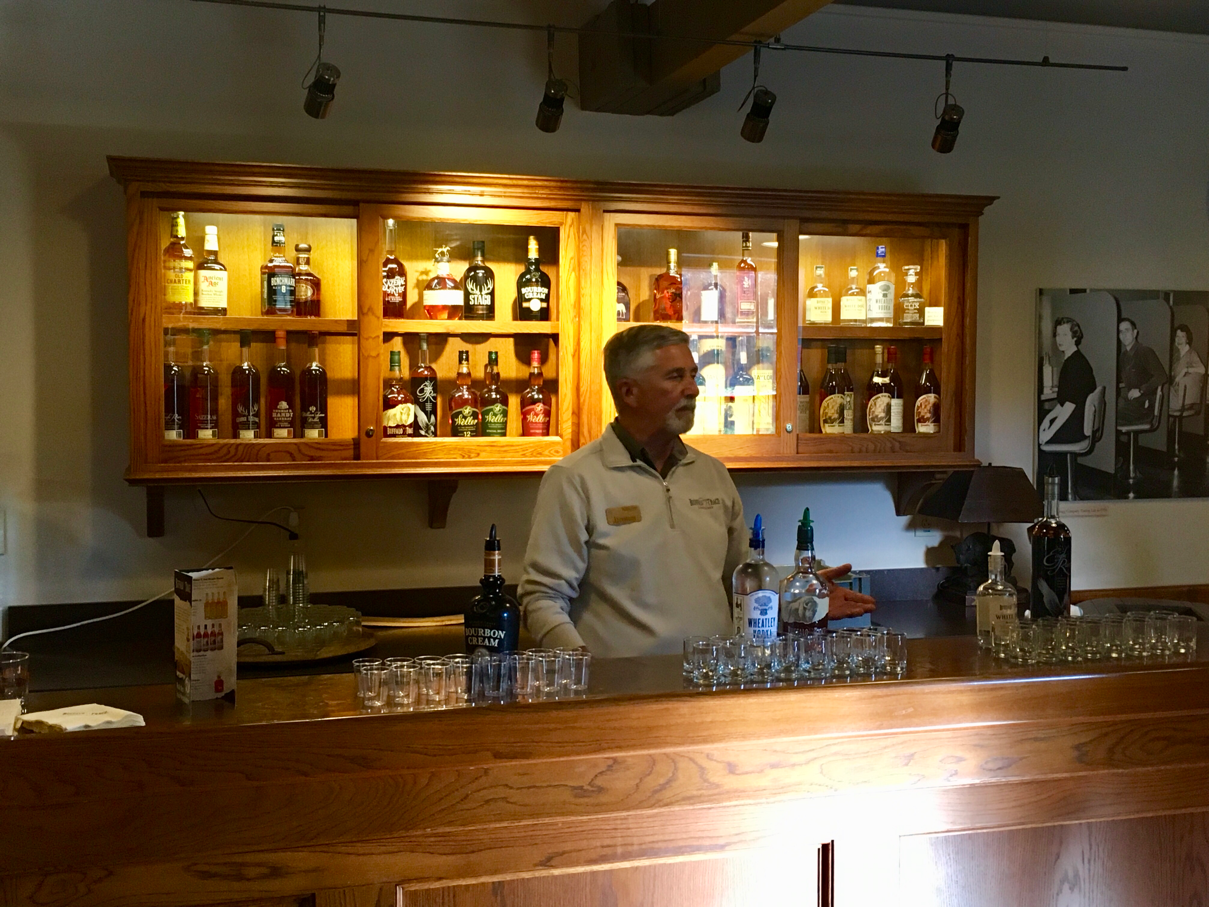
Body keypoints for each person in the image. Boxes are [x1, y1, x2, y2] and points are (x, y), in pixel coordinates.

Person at [518, 324, 875, 657]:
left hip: (714, 680)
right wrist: (585, 672)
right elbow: (542, 599)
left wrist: (797, 599)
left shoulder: (712, 474)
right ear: (629, 392)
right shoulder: (574, 479)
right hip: (621, 692)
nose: (693, 389)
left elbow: (742, 583)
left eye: (692, 375)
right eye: (675, 377)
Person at [1038, 317, 1097, 445]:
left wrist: (1049, 433)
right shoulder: (1073, 360)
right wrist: (1048, 418)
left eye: (1065, 334)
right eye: (1058, 334)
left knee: (1029, 427)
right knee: (1039, 417)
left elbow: (1070, 405)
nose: (1060, 339)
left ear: (1074, 337)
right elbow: (1065, 402)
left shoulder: (1075, 364)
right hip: (1077, 422)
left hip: (1075, 428)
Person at [1117, 317, 1167, 425]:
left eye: (1127, 330)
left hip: (1144, 406)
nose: (1124, 335)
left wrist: (1140, 390)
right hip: (1132, 404)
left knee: (1110, 413)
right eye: (1121, 332)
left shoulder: (1145, 351)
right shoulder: (1123, 356)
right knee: (1110, 407)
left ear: (1135, 333)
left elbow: (1162, 376)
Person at [1170, 324, 1205, 414]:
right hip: (1175, 395)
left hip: (1183, 399)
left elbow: (1202, 369)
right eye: (1177, 336)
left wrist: (1185, 370)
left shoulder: (1191, 353)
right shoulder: (1176, 356)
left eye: (1183, 337)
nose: (1179, 339)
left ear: (1187, 339)